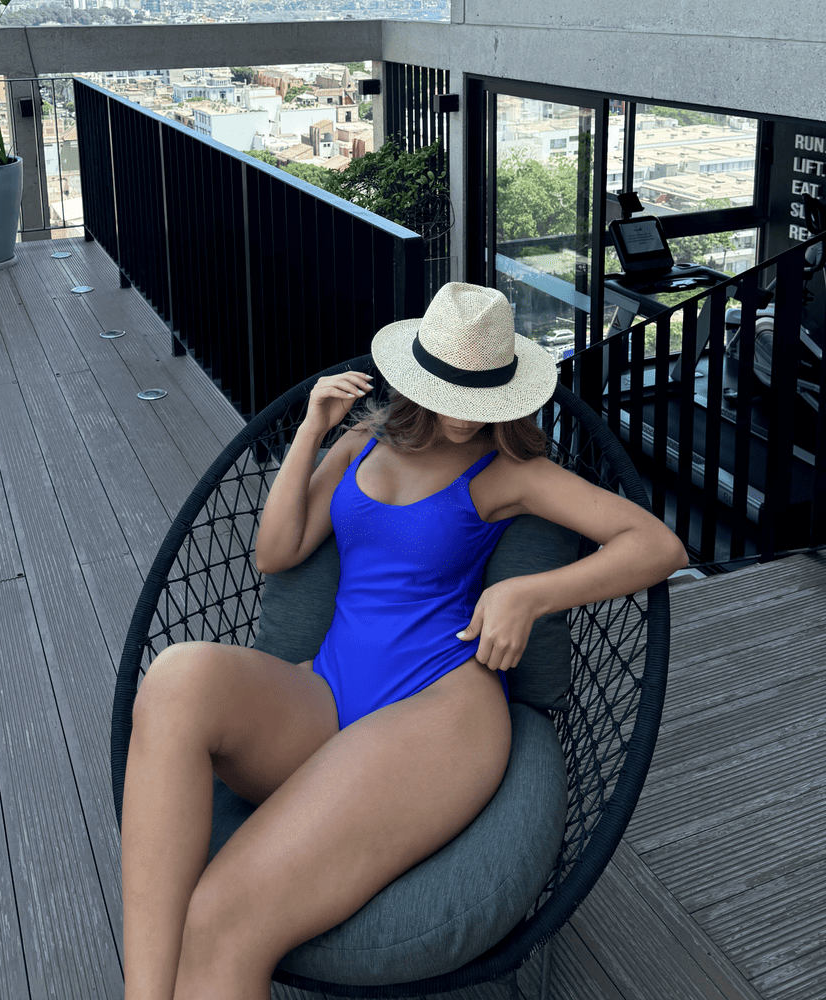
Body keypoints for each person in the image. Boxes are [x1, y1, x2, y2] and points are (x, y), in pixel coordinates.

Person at [120, 282, 689, 1000]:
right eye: (451, 391)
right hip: (329, 694)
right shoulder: (361, 441)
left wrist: (527, 593)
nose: (463, 414)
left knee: (220, 918)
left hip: (439, 714)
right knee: (174, 677)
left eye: (479, 394)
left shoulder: (508, 471)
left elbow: (658, 545)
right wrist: (311, 430)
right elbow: (276, 550)